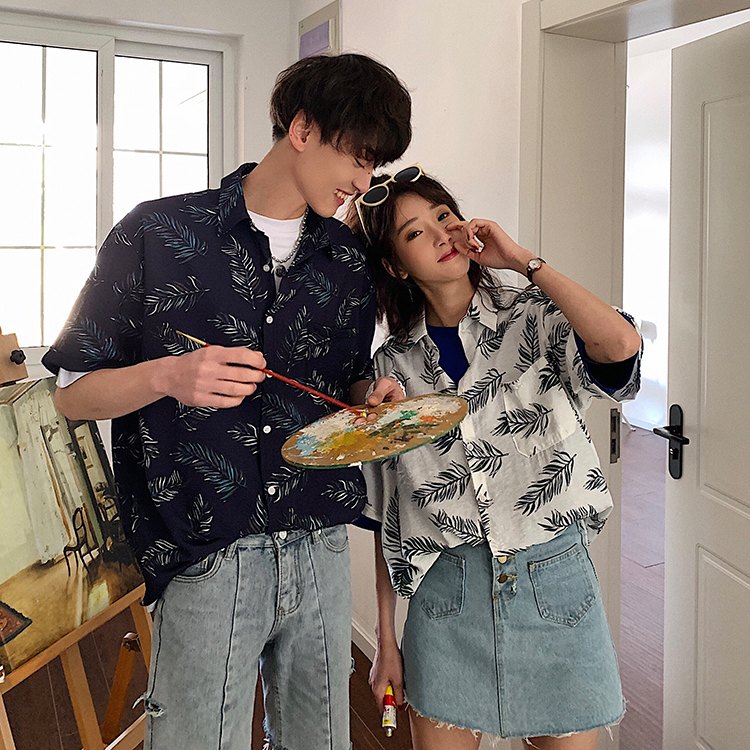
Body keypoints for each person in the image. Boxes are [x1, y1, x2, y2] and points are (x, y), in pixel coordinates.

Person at [42, 53, 411, 750]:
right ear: (302, 129)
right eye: (358, 158)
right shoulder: (155, 235)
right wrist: (167, 377)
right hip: (207, 555)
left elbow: (345, 380)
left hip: (321, 546)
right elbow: (72, 395)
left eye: (374, 166)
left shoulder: (347, 262)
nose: (364, 183)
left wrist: (372, 395)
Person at [347, 168, 642, 750]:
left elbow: (620, 348)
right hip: (446, 598)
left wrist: (525, 262)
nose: (442, 234)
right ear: (396, 266)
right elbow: (387, 514)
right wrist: (386, 642)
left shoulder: (533, 314)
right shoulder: (391, 370)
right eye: (415, 232)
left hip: (554, 586)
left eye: (443, 215)